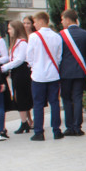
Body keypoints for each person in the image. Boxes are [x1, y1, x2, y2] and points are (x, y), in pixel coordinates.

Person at [26, 11, 63, 141]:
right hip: (53, 74)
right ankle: (57, 130)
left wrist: (34, 66)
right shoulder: (57, 36)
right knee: (54, 103)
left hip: (38, 75)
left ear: (41, 21)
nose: (34, 24)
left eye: (35, 22)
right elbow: (59, 57)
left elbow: (29, 57)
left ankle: (39, 131)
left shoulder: (33, 37)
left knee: (38, 104)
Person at [58, 9, 86, 136]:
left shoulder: (61, 35)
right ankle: (78, 126)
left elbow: (58, 54)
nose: (62, 22)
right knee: (77, 98)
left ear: (68, 19)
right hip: (80, 71)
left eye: (62, 19)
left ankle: (70, 127)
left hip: (65, 73)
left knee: (66, 99)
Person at [2, 20, 33, 133]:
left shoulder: (22, 43)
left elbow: (20, 59)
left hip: (22, 72)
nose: (8, 31)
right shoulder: (15, 43)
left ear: (16, 29)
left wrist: (5, 67)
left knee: (21, 96)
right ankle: (25, 121)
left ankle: (25, 122)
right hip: (16, 72)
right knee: (18, 95)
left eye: (10, 28)